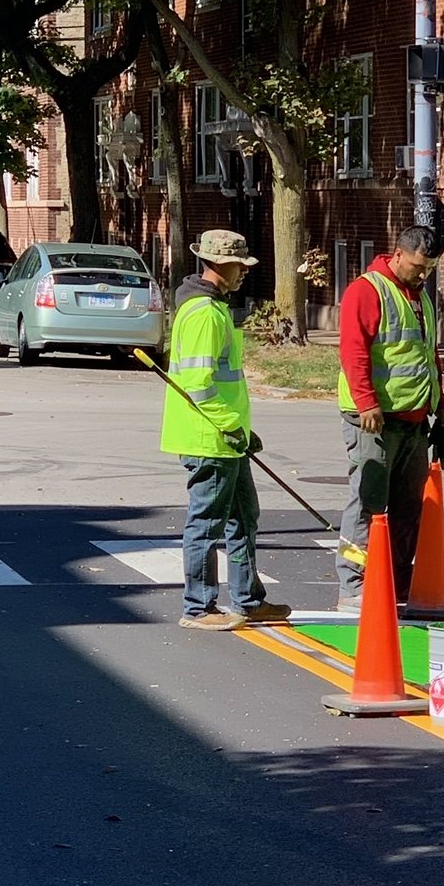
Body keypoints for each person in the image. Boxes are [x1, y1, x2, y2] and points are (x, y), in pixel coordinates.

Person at [161, 229, 291, 632]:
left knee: (243, 517)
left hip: (224, 437)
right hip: (211, 438)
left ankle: (248, 599)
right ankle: (198, 607)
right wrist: (233, 427)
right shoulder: (204, 313)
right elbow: (200, 385)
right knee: (207, 523)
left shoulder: (211, 307)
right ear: (222, 265)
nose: (243, 274)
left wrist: (239, 431)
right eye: (240, 267)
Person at [336, 224, 444, 608]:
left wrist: (442, 407)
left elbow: (428, 357)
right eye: (418, 267)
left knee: (408, 509)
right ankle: (355, 586)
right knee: (368, 502)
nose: (423, 274)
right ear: (398, 255)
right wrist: (366, 401)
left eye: (430, 268)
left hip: (414, 422)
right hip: (375, 420)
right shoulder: (367, 290)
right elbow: (354, 351)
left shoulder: (420, 298)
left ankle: (398, 584)